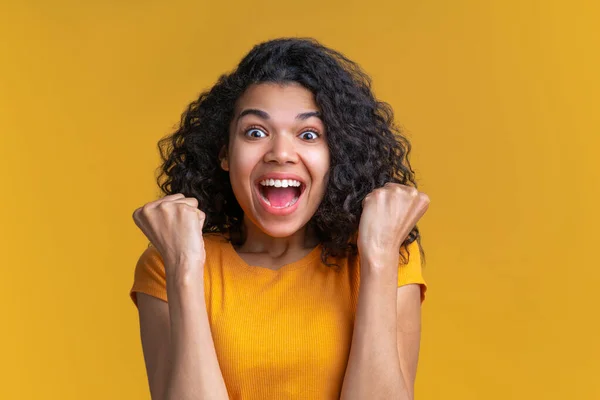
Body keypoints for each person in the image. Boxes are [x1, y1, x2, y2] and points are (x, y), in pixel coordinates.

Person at [129, 37, 430, 400]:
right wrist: (184, 268)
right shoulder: (169, 264)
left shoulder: (386, 255)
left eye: (308, 134)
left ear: (337, 155)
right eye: (256, 132)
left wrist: (379, 256)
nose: (281, 153)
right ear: (225, 153)